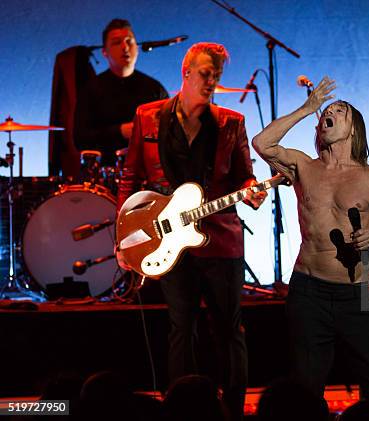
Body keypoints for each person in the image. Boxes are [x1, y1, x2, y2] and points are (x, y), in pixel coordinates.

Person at [116, 42, 267, 420]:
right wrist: (123, 239)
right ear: (186, 74)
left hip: (220, 240)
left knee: (229, 330)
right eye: (205, 73)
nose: (212, 80)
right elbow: (131, 178)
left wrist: (252, 190)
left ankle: (231, 409)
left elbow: (244, 174)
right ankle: (181, 411)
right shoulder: (147, 117)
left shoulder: (231, 122)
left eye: (216, 74)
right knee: (181, 328)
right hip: (167, 239)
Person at [252, 77, 369, 402]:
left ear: (353, 128)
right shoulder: (304, 166)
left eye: (338, 111)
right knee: (305, 387)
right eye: (326, 112)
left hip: (354, 294)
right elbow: (262, 143)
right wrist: (307, 108)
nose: (328, 114)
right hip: (309, 291)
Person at [75, 18, 168, 167]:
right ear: (104, 52)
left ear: (137, 48)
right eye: (117, 42)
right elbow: (79, 138)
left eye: (129, 41)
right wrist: (120, 131)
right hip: (106, 173)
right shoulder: (90, 89)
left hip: (148, 173)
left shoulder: (155, 89)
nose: (125, 47)